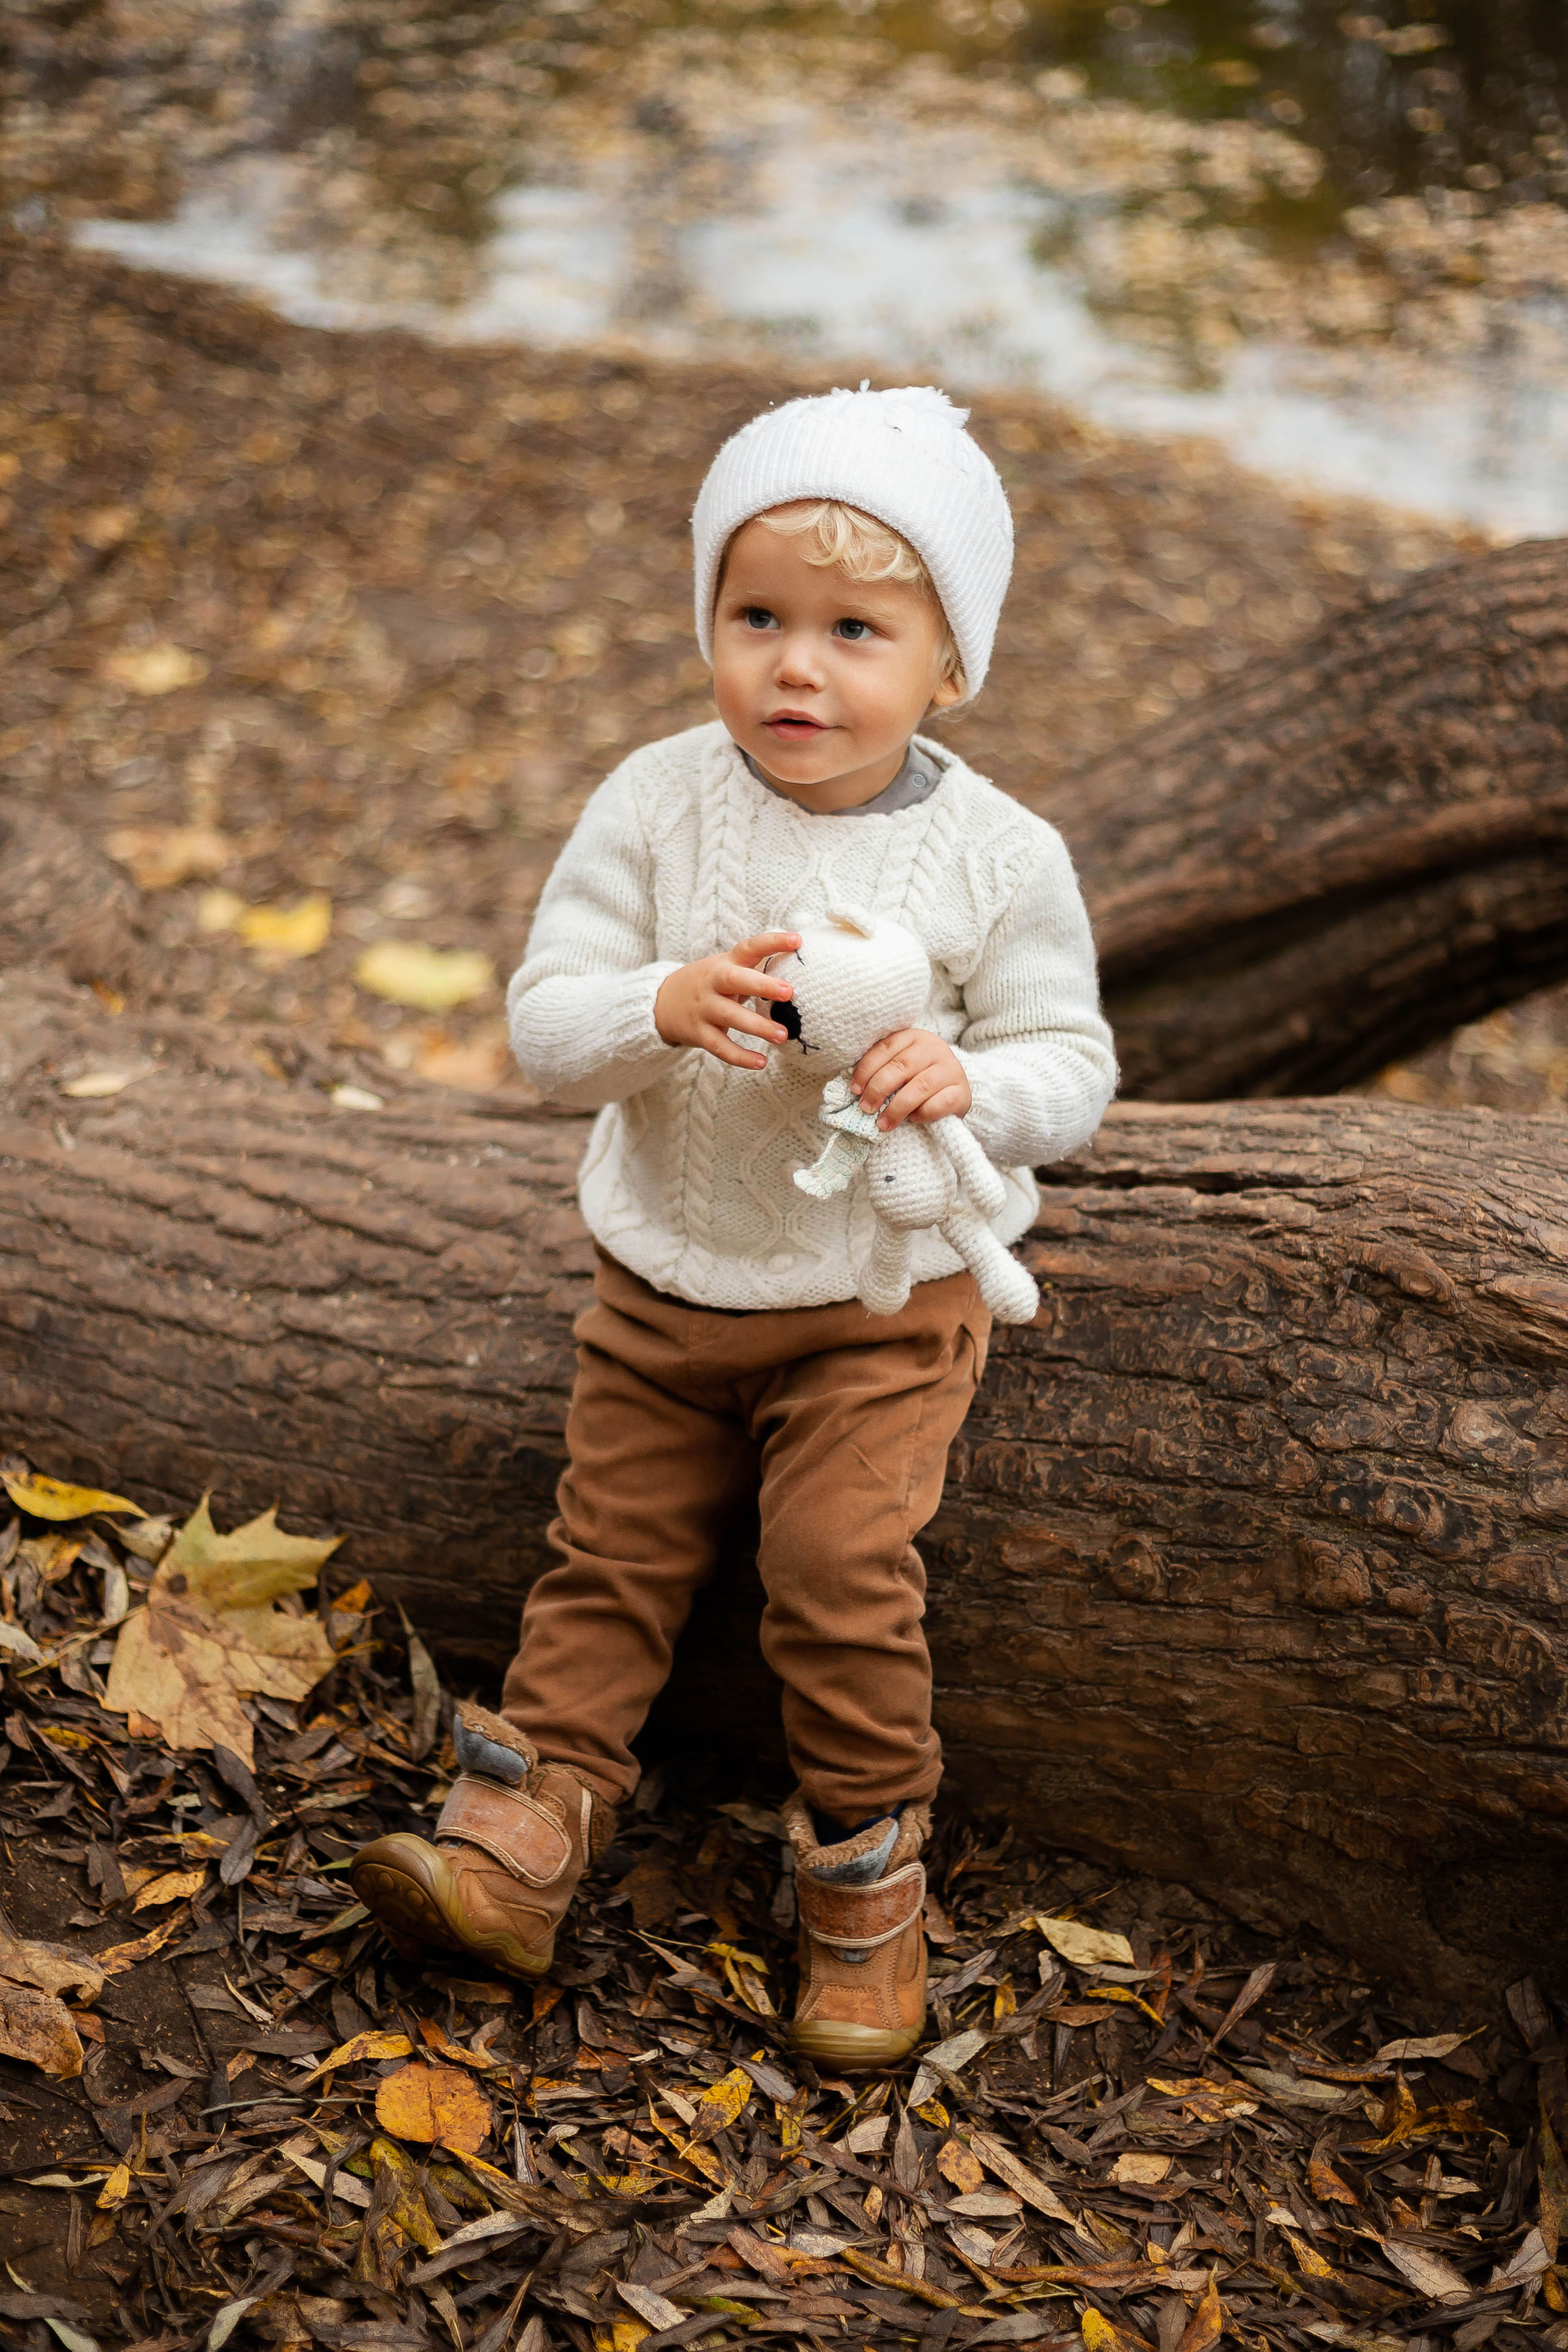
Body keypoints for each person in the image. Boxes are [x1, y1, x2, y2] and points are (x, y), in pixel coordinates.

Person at [352, 384, 1116, 2067]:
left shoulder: (1002, 856)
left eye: (858, 629)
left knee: (836, 1567)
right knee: (606, 1553)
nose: (796, 665)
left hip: (876, 1305)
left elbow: (1077, 1063)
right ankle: (528, 1824)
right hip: (661, 1288)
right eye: (755, 615)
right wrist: (661, 1002)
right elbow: (546, 1027)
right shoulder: (657, 801)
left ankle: (865, 1870)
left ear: (949, 666)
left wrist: (968, 1079)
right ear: (708, 618)